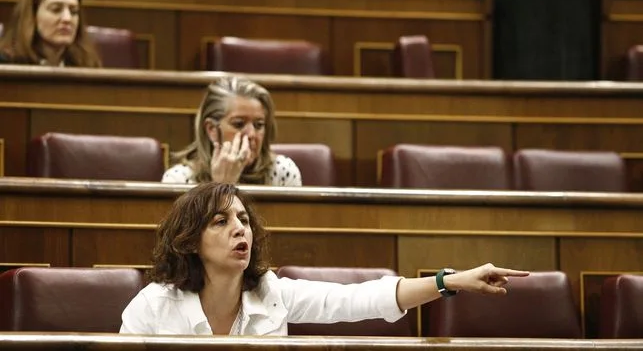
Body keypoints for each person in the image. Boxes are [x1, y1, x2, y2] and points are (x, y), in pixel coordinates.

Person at [120, 182, 529, 335]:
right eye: (220, 221)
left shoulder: (271, 291)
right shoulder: (153, 307)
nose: (239, 229)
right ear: (190, 241)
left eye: (243, 219)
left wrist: (450, 281)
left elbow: (358, 299)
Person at [162, 76, 302, 186]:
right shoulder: (179, 179)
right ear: (212, 129)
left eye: (259, 125)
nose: (251, 134)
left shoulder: (283, 172)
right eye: (239, 124)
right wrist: (222, 185)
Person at [0, 0, 101, 67]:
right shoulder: (6, 64)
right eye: (56, 9)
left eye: (74, 11)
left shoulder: (87, 63)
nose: (67, 18)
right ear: (32, 16)